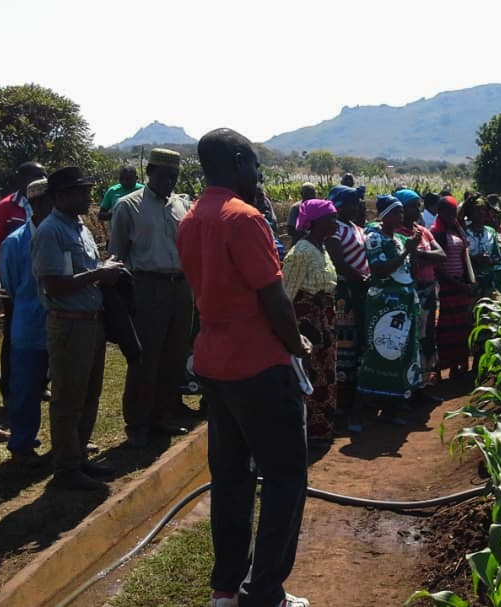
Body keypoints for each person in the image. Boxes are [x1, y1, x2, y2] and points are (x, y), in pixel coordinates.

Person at [177, 128, 310, 607]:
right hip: (258, 365)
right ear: (237, 161)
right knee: (285, 476)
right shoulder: (245, 218)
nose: (257, 175)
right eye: (254, 164)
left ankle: (226, 588)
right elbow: (273, 298)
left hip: (215, 363)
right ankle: (265, 592)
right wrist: (298, 346)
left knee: (231, 480)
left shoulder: (191, 219)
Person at [33, 166, 128, 490]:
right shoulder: (51, 232)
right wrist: (100, 275)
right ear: (60, 197)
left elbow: (81, 270)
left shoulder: (81, 227)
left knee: (90, 395)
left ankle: (79, 458)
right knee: (68, 399)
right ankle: (67, 468)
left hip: (91, 322)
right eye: (81, 192)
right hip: (69, 325)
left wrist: (103, 268)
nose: (89, 198)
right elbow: (55, 285)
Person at [108, 148, 193, 448]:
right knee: (145, 357)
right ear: (150, 173)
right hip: (147, 286)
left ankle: (162, 417)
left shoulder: (183, 205)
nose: (169, 181)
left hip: (181, 287)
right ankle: (138, 423)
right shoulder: (127, 206)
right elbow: (117, 253)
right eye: (164, 175)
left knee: (175, 354)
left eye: (174, 176)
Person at [0, 178, 53, 465]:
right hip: (29, 326)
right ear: (36, 204)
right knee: (27, 389)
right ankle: (22, 444)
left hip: (60, 324)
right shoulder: (15, 242)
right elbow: (10, 283)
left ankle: (67, 440)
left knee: (66, 387)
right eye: (50, 201)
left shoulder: (66, 234)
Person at [282, 199, 339, 447]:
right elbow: (287, 292)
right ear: (316, 221)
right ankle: (307, 432)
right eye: (331, 218)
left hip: (324, 319)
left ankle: (322, 429)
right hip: (307, 323)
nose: (335, 223)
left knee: (325, 373)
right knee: (309, 373)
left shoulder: (322, 248)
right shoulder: (301, 252)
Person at [358, 195, 423, 409]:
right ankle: (373, 401)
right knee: (383, 350)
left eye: (402, 212)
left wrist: (412, 250)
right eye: (397, 212)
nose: (401, 216)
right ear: (385, 215)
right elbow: (380, 269)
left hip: (405, 302)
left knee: (403, 350)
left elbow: (414, 272)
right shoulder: (375, 238)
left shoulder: (401, 239)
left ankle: (397, 398)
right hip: (385, 303)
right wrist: (406, 251)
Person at [0, 161, 47, 411]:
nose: (42, 179)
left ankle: (41, 382)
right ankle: (10, 389)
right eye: (36, 176)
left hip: (47, 285)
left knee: (45, 336)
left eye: (44, 175)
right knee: (14, 339)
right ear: (22, 179)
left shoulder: (50, 205)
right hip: (18, 286)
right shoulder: (6, 208)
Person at [324, 186, 370, 432]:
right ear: (340, 205)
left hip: (359, 291)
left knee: (358, 343)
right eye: (353, 203)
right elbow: (339, 264)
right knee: (345, 345)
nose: (357, 207)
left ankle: (354, 398)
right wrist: (361, 278)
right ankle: (341, 404)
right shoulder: (335, 231)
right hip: (345, 293)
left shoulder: (355, 227)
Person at [395, 189, 446, 399]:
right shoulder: (395, 232)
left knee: (426, 337)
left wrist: (417, 252)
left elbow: (440, 254)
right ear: (401, 208)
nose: (418, 209)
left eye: (419, 205)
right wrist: (420, 255)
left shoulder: (422, 232)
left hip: (427, 290)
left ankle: (423, 384)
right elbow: (407, 263)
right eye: (413, 205)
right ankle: (407, 386)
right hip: (409, 292)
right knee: (410, 338)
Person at [431, 195, 476, 376]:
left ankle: (460, 365)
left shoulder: (456, 230)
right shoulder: (437, 233)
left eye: (453, 212)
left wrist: (467, 282)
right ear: (440, 212)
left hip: (460, 287)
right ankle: (447, 366)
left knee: (461, 327)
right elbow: (439, 269)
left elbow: (464, 254)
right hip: (447, 287)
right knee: (447, 328)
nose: (452, 215)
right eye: (448, 212)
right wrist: (458, 284)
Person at [465, 197, 501, 297]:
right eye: (476, 210)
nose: (480, 213)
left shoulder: (491, 231)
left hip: (488, 281)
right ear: (470, 213)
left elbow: (497, 256)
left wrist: (489, 260)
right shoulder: (464, 232)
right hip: (469, 281)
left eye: (482, 210)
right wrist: (474, 259)